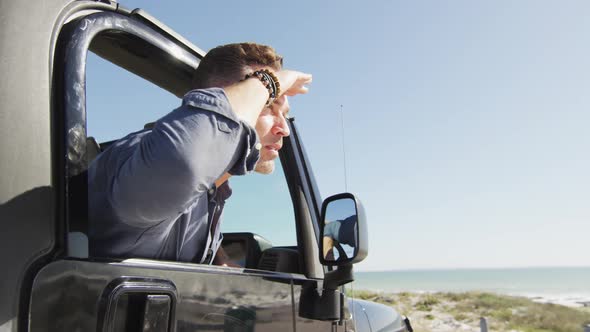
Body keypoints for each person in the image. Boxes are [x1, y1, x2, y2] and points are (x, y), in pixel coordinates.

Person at [88, 42, 312, 265]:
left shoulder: (211, 194)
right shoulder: (138, 160)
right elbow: (185, 162)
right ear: (217, 99)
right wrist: (269, 81)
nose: (284, 129)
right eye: (267, 105)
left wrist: (219, 260)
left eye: (284, 114)